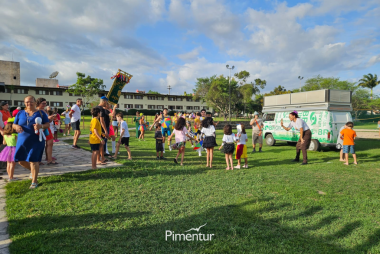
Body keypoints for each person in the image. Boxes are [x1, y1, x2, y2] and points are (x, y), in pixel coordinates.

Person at [13, 95, 50, 189]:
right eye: (27, 102)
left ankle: (34, 181)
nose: (29, 103)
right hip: (22, 140)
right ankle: (33, 171)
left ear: (35, 102)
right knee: (20, 160)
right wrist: (16, 127)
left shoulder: (41, 113)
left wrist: (40, 126)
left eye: (31, 101)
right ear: (24, 103)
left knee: (33, 160)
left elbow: (47, 124)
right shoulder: (20, 113)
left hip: (36, 140)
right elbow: (14, 124)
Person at [95, 97, 109, 162]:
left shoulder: (95, 108)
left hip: (96, 128)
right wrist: (106, 131)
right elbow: (102, 121)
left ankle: (102, 158)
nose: (106, 104)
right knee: (100, 144)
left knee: (101, 144)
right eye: (106, 102)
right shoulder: (101, 109)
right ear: (104, 102)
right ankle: (99, 159)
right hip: (100, 130)